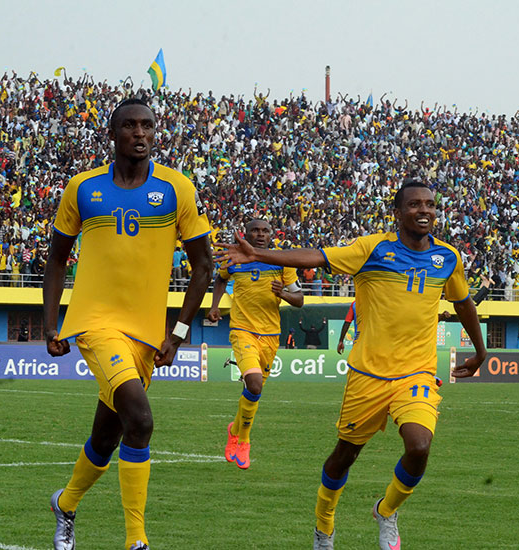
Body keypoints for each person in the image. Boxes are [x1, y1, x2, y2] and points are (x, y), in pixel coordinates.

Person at [215, 179, 486, 550]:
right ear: (398, 212)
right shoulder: (371, 249)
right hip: (367, 376)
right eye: (414, 205)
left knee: (419, 446)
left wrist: (480, 352)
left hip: (417, 372)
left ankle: (386, 510)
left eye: (430, 205)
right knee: (344, 457)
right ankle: (324, 527)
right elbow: (318, 257)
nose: (424, 210)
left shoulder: (448, 257)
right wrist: (260, 255)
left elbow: (463, 302)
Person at [43, 97, 213, 550]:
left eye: (148, 125)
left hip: (146, 335)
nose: (140, 133)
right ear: (113, 133)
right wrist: (50, 324)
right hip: (95, 324)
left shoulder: (177, 189)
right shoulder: (82, 188)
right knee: (139, 419)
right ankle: (136, 541)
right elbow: (57, 257)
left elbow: (203, 266)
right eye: (130, 125)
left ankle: (66, 502)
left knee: (107, 436)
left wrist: (177, 333)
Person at [207, 218, 304, 469]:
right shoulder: (235, 260)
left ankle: (234, 430)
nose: (260, 235)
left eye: (265, 231)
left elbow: (300, 299)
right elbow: (219, 279)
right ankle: (244, 441)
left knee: (255, 392)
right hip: (242, 331)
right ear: (246, 234)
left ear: (271, 235)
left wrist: (282, 294)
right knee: (254, 383)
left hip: (271, 336)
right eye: (255, 231)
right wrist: (215, 306)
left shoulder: (282, 261)